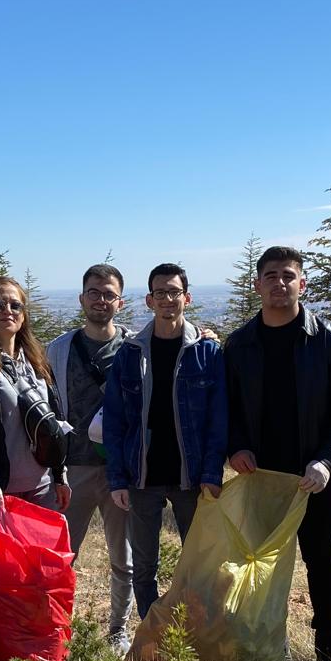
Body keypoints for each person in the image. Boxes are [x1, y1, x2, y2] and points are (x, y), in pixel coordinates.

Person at [224, 246, 331, 661]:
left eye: (288, 276)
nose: (279, 283)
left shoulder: (329, 340)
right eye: (271, 276)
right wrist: (236, 446)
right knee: (258, 565)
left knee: (322, 562)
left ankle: (330, 653)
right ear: (257, 284)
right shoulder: (240, 344)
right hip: (260, 476)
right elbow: (225, 408)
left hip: (311, 476)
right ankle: (261, 651)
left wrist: (327, 461)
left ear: (303, 283)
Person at [101, 263, 227, 622]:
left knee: (196, 562)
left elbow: (218, 420)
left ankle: (193, 630)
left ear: (186, 298)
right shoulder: (130, 353)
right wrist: (117, 478)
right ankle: (150, 630)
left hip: (191, 475)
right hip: (142, 475)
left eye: (174, 292)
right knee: (144, 565)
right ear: (149, 300)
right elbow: (115, 422)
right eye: (160, 293)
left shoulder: (207, 352)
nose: (168, 299)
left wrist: (212, 473)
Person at [46, 264, 135, 653]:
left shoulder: (136, 346)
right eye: (94, 292)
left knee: (125, 558)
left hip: (122, 470)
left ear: (121, 301)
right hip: (73, 467)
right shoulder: (57, 349)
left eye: (109, 294)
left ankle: (119, 630)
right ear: (82, 298)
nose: (101, 300)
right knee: (63, 557)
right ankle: (56, 630)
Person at [0, 275, 72, 558]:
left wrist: (59, 474)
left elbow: (53, 420)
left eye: (15, 305)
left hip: (41, 488)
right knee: (1, 577)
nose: (7, 310)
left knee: (40, 571)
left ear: (23, 314)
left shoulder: (34, 358)